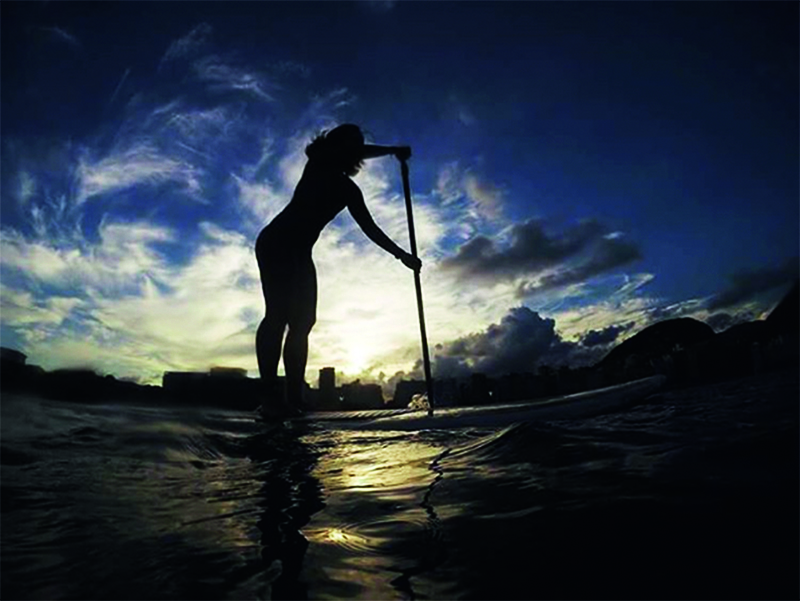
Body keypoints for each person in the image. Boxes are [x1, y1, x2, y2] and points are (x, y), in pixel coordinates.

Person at [255, 124, 420, 417]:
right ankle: (270, 397)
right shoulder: (317, 164)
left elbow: (370, 228)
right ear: (333, 145)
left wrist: (402, 256)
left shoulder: (348, 190)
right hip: (277, 243)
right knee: (277, 315)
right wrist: (391, 150)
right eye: (347, 144)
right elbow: (356, 150)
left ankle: (294, 397)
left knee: (304, 321)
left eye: (356, 146)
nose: (353, 150)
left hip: (301, 253)